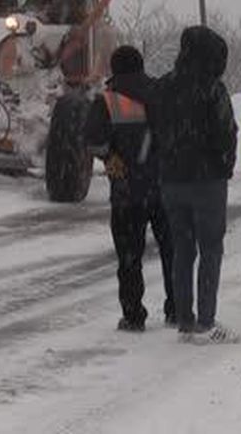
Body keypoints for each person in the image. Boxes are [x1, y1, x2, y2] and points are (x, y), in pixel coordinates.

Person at [155, 26, 239, 344]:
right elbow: (225, 133)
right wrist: (224, 165)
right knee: (211, 250)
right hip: (207, 181)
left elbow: (156, 130)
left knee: (182, 251)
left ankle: (185, 321)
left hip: (171, 180)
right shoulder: (212, 89)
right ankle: (207, 321)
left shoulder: (163, 87)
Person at [85, 45, 176, 332]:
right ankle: (177, 307)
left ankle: (134, 315)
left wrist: (110, 157)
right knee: (172, 251)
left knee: (129, 257)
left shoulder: (108, 100)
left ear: (115, 68)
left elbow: (93, 140)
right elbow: (176, 134)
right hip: (164, 188)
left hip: (127, 191)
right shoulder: (162, 93)